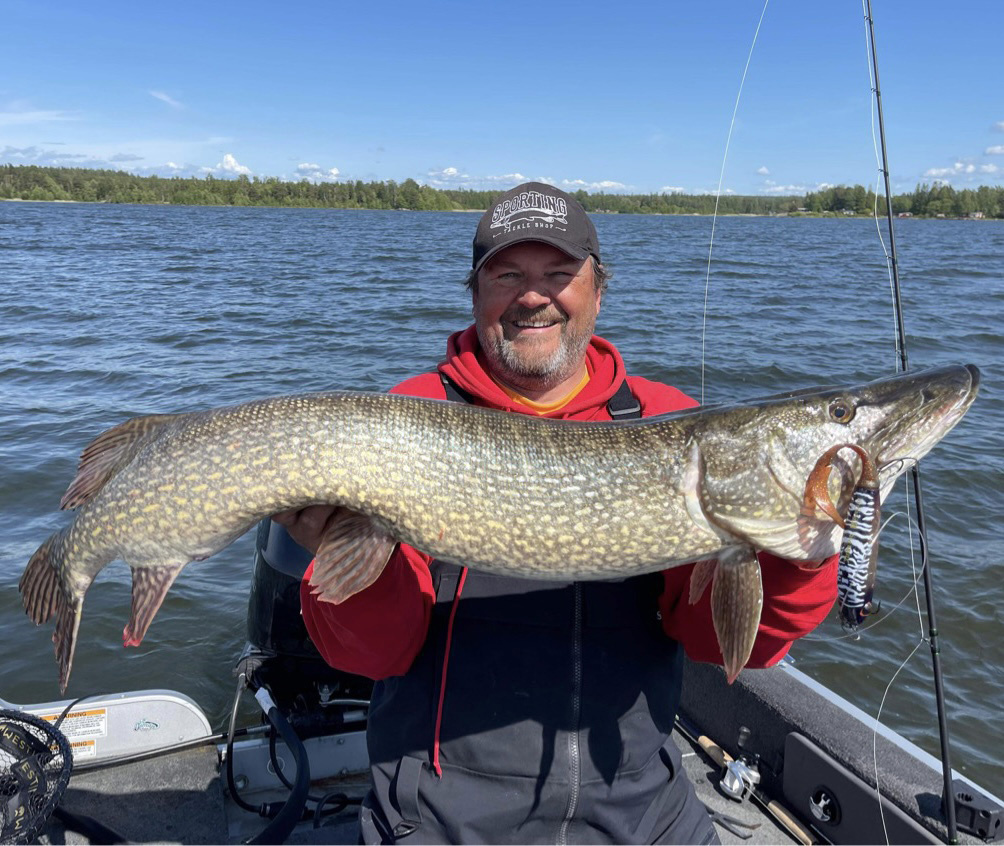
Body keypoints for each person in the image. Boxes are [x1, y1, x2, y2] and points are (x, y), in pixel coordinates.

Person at [276, 182, 838, 844]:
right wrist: (346, 555)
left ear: (598, 292)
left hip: (641, 814)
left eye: (559, 274)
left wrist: (799, 549)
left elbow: (717, 643)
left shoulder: (666, 423)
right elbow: (374, 653)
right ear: (477, 294)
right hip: (442, 819)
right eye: (507, 274)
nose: (533, 295)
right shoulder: (410, 416)